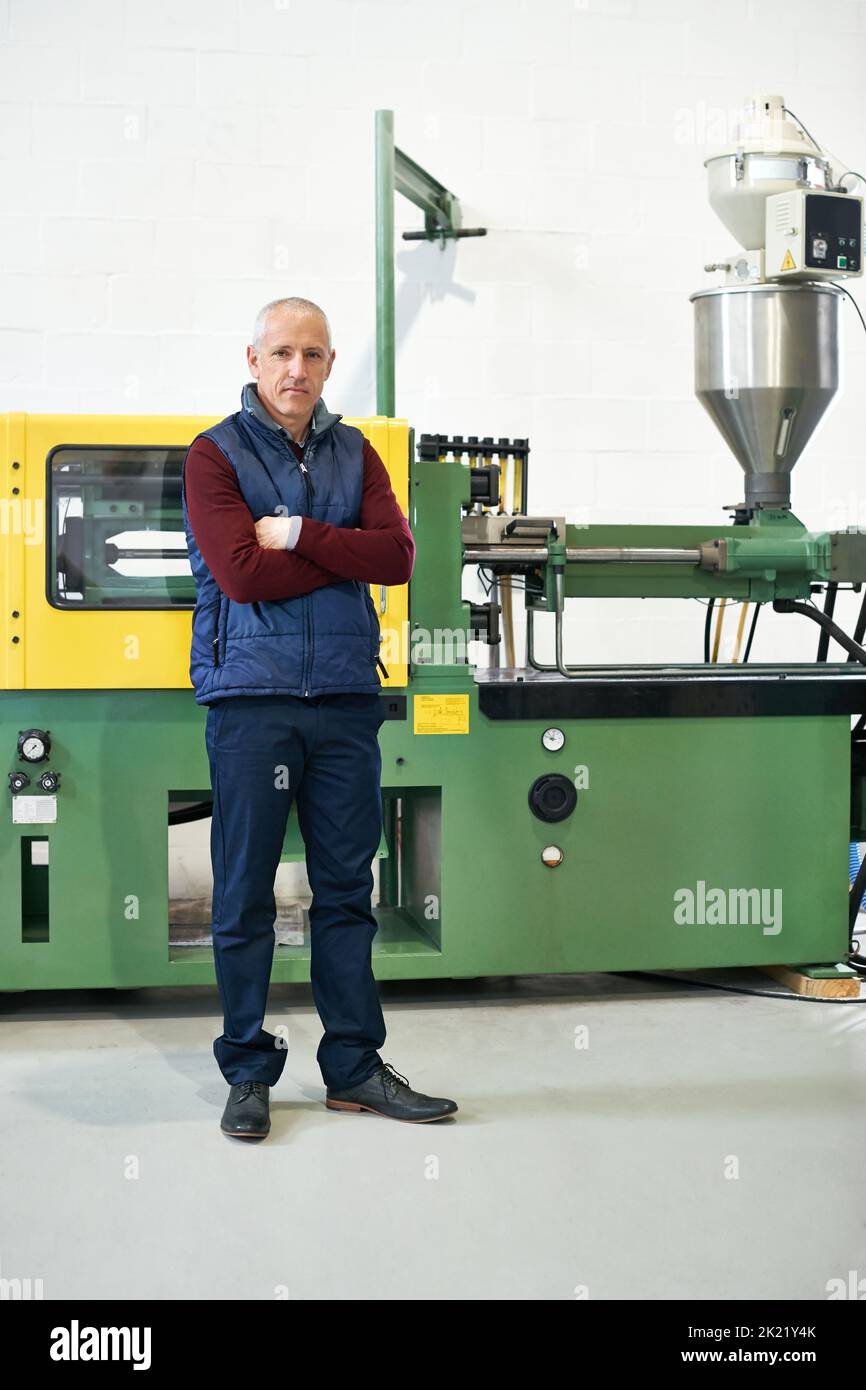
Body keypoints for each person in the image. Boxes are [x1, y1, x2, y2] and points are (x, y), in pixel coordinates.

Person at [181, 296, 458, 1139]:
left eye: (312, 354)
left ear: (330, 364)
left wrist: (298, 532)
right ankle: (247, 1070)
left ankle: (353, 1069)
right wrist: (340, 554)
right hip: (251, 701)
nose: (296, 369)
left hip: (343, 703)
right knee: (243, 895)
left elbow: (400, 558)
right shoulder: (213, 455)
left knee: (347, 892)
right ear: (254, 360)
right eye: (281, 353)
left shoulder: (355, 451)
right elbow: (240, 577)